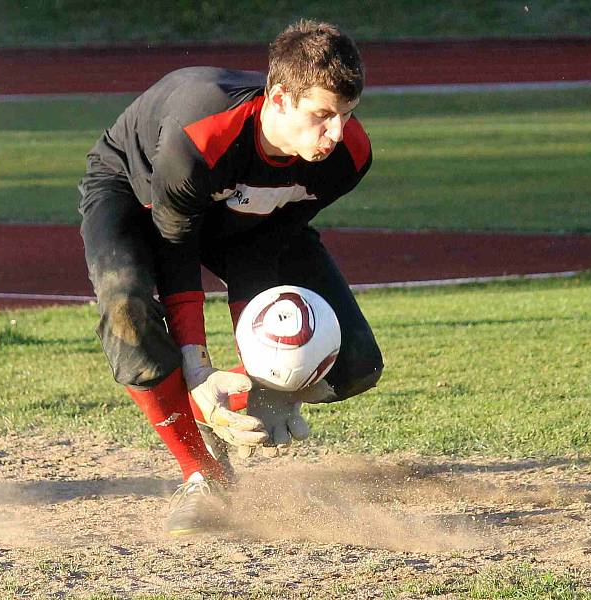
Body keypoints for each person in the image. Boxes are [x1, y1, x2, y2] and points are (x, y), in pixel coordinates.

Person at [78, 20, 383, 536]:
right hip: (137, 191)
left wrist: (264, 377)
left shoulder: (348, 157)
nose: (337, 133)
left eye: (347, 115)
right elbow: (177, 248)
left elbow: (260, 245)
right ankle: (202, 471)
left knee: (356, 367)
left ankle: (233, 410)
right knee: (127, 310)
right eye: (323, 116)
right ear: (280, 98)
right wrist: (197, 370)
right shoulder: (202, 135)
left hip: (244, 216)